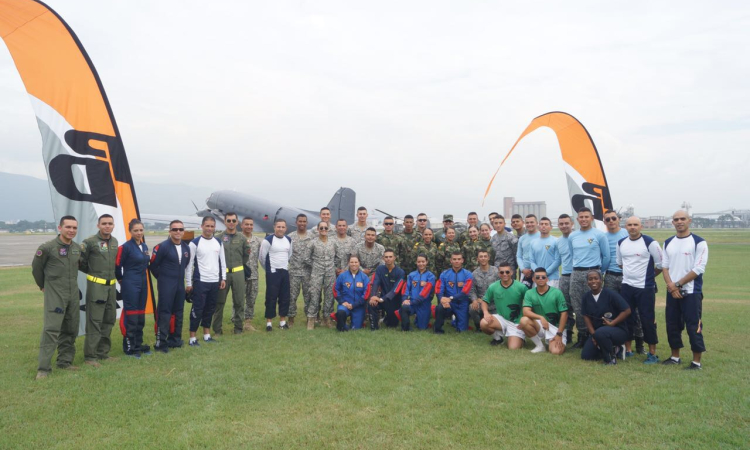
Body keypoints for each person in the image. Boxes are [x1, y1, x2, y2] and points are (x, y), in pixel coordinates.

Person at [33, 216, 82, 379]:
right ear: (60, 228)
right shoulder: (47, 247)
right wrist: (43, 285)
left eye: (74, 228)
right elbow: (37, 269)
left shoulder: (76, 248)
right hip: (55, 294)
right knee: (51, 329)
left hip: (73, 293)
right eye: (68, 227)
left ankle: (65, 362)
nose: (71, 230)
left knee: (71, 328)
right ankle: (44, 369)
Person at [661, 210, 708, 370]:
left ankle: (696, 362)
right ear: (672, 222)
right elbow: (664, 267)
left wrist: (678, 284)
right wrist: (671, 286)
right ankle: (675, 357)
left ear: (689, 221)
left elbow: (698, 268)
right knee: (672, 325)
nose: (679, 221)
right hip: (672, 292)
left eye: (682, 219)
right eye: (676, 219)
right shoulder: (668, 242)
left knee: (693, 325)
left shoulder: (699, 242)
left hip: (691, 292)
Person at [616, 216, 663, 364]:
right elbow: (620, 264)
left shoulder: (650, 242)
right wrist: (631, 276)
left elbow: (660, 265)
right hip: (627, 286)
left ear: (641, 226)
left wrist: (648, 277)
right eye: (629, 225)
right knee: (627, 318)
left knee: (647, 319)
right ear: (626, 226)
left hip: (645, 288)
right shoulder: (621, 243)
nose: (632, 227)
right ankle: (628, 350)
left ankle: (652, 353)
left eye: (635, 224)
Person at [79, 214, 119, 367]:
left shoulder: (114, 241)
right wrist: (93, 272)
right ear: (98, 225)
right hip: (96, 287)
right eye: (104, 223)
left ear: (113, 225)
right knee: (95, 321)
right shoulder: (89, 242)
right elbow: (80, 262)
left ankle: (103, 353)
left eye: (110, 223)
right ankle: (90, 356)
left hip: (111, 287)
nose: (107, 226)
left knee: (109, 320)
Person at [568, 207, 610, 349]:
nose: (584, 219)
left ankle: (597, 335)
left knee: (594, 306)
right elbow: (572, 254)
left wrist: (599, 273)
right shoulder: (573, 236)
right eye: (581, 217)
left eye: (586, 217)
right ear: (577, 219)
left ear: (591, 218)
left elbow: (606, 256)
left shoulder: (599, 235)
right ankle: (582, 335)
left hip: (593, 273)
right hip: (576, 273)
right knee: (577, 306)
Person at [603, 210, 643, 354]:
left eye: (613, 218)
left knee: (633, 310)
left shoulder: (627, 234)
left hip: (628, 276)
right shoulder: (603, 237)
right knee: (612, 310)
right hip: (610, 276)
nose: (611, 221)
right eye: (608, 219)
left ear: (619, 220)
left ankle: (639, 342)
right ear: (604, 222)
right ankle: (617, 342)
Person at [149, 220, 191, 352]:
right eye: (175, 229)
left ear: (183, 231)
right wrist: (162, 279)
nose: (178, 232)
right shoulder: (162, 247)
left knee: (178, 312)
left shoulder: (186, 247)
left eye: (180, 229)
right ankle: (161, 342)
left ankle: (175, 340)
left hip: (179, 285)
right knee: (164, 313)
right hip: (166, 285)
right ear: (170, 231)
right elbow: (153, 265)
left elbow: (186, 264)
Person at [185, 216, 227, 345]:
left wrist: (223, 278)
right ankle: (192, 337)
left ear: (215, 227)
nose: (209, 228)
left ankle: (207, 335)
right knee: (198, 309)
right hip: (200, 281)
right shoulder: (194, 243)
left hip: (215, 281)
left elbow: (222, 262)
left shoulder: (218, 242)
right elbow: (189, 264)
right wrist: (188, 283)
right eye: (207, 226)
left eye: (212, 226)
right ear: (202, 226)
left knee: (210, 308)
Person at [116, 219, 152, 357]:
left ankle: (138, 343)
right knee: (131, 316)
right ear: (130, 231)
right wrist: (121, 280)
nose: (138, 233)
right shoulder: (125, 247)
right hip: (130, 284)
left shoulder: (143, 246)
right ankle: (130, 347)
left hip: (143, 283)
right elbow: (117, 266)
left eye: (141, 230)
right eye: (135, 230)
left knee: (140, 315)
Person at [580, 271, 631, 365]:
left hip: (617, 330)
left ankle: (610, 359)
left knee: (601, 333)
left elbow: (627, 310)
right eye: (590, 279)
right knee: (586, 356)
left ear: (601, 280)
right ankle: (615, 349)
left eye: (596, 278)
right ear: (587, 282)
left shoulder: (610, 294)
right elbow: (585, 316)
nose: (593, 281)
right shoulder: (586, 297)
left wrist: (613, 322)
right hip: (597, 332)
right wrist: (594, 335)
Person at [212, 212, 250, 335]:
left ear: (237, 222)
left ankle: (238, 328)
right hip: (223, 274)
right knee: (219, 302)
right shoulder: (218, 238)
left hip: (238, 273)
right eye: (229, 220)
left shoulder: (242, 238)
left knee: (239, 301)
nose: (231, 223)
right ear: (225, 222)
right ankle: (217, 330)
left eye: (234, 221)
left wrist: (238, 267)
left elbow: (246, 256)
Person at [519, 268, 569, 354]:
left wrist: (559, 333)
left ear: (547, 279)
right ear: (533, 279)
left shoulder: (557, 293)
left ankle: (552, 341)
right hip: (541, 325)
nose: (540, 279)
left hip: (555, 328)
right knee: (524, 320)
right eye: (537, 277)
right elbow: (526, 312)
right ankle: (540, 346)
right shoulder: (529, 293)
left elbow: (564, 314)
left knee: (556, 352)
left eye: (543, 277)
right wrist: (541, 317)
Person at [479, 262, 529, 348]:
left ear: (512, 272)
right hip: (501, 319)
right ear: (499, 273)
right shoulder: (493, 287)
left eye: (507, 272)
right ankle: (498, 338)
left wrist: (525, 319)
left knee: (513, 348)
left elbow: (530, 302)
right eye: (502, 272)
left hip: (516, 322)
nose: (504, 274)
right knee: (484, 323)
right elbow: (485, 301)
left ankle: (520, 339)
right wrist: (486, 313)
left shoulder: (521, 287)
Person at [259, 219, 293, 332]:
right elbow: (262, 258)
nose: (281, 229)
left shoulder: (288, 240)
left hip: (284, 271)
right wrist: (269, 270)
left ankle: (282, 322)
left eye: (283, 227)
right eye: (278, 227)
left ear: (286, 228)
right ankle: (269, 323)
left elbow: (289, 255)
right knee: (271, 297)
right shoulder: (268, 240)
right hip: (272, 273)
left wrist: (284, 266)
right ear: (274, 227)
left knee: (284, 297)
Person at [305, 221, 337, 330]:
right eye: (321, 228)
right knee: (314, 295)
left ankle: (327, 318)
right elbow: (306, 257)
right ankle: (311, 319)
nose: (323, 230)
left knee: (329, 296)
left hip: (330, 272)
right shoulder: (313, 242)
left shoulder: (333, 242)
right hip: (316, 272)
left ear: (328, 229)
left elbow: (337, 257)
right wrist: (315, 265)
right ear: (318, 229)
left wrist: (333, 266)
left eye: (325, 228)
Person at [434, 251, 473, 334]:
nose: (457, 261)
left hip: (462, 303)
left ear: (462, 260)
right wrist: (441, 299)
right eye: (454, 259)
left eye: (459, 259)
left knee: (462, 330)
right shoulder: (444, 274)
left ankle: (455, 320)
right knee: (440, 308)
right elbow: (438, 289)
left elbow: (465, 292)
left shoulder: (468, 274)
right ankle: (438, 329)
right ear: (451, 260)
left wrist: (450, 298)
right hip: (449, 304)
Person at [366, 249, 406, 330]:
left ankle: (385, 318)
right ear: (383, 258)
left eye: (390, 257)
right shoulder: (380, 269)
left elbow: (395, 290)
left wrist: (381, 299)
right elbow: (375, 283)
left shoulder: (400, 272)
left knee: (392, 325)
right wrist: (373, 296)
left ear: (394, 258)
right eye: (386, 257)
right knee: (371, 304)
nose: (388, 259)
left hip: (394, 301)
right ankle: (374, 327)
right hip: (382, 298)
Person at [288, 214, 313, 327]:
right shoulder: (290, 237)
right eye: (300, 221)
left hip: (308, 272)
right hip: (294, 272)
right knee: (292, 296)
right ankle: (291, 318)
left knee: (308, 296)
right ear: (296, 222)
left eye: (304, 221)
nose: (302, 223)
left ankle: (309, 318)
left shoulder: (312, 237)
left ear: (306, 223)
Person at [333, 255, 370, 331]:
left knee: (355, 329)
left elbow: (366, 294)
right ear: (348, 263)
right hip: (345, 304)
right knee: (341, 314)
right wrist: (342, 302)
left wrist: (354, 305)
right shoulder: (342, 276)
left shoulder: (364, 277)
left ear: (359, 263)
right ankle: (340, 321)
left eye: (356, 262)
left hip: (358, 306)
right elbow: (335, 289)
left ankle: (347, 323)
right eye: (352, 262)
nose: (354, 264)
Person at [400, 254, 435, 331]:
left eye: (423, 261)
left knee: (422, 328)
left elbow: (426, 293)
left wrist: (412, 302)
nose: (421, 264)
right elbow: (406, 289)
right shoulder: (411, 275)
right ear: (416, 262)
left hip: (424, 303)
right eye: (419, 262)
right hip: (412, 302)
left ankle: (421, 317)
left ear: (427, 262)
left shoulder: (431, 276)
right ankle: (406, 327)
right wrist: (405, 299)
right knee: (404, 307)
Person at [469, 250, 500, 332]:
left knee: (495, 321)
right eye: (481, 257)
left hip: (494, 303)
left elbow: (500, 288)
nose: (483, 258)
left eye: (485, 256)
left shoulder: (496, 271)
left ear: (488, 258)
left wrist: (485, 299)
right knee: (472, 308)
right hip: (480, 303)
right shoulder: (474, 274)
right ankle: (479, 326)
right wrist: (474, 300)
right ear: (477, 259)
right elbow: (472, 290)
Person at [241, 217, 263, 331]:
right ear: (242, 226)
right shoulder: (238, 239)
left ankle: (248, 323)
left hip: (253, 274)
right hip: (240, 274)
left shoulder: (258, 241)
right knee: (239, 299)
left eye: (251, 224)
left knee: (251, 298)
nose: (249, 227)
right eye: (246, 224)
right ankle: (237, 322)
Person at [556, 214, 575, 343]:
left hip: (579, 275)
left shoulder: (578, 237)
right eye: (561, 224)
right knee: (566, 307)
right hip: (565, 276)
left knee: (580, 306)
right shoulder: (558, 241)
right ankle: (568, 334)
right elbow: (558, 260)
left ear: (572, 224)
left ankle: (584, 335)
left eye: (566, 223)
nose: (564, 226)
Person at [528, 217, 561, 288]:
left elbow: (558, 260)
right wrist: (539, 273)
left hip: (552, 278)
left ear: (550, 227)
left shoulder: (556, 241)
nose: (543, 226)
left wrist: (545, 273)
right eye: (541, 224)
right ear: (538, 227)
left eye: (546, 224)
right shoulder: (533, 242)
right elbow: (531, 261)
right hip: (538, 278)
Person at [516, 214, 540, 283]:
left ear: (537, 223)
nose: (529, 224)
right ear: (524, 223)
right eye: (527, 222)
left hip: (539, 272)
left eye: (532, 222)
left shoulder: (542, 236)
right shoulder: (522, 239)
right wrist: (523, 269)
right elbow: (519, 256)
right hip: (525, 273)